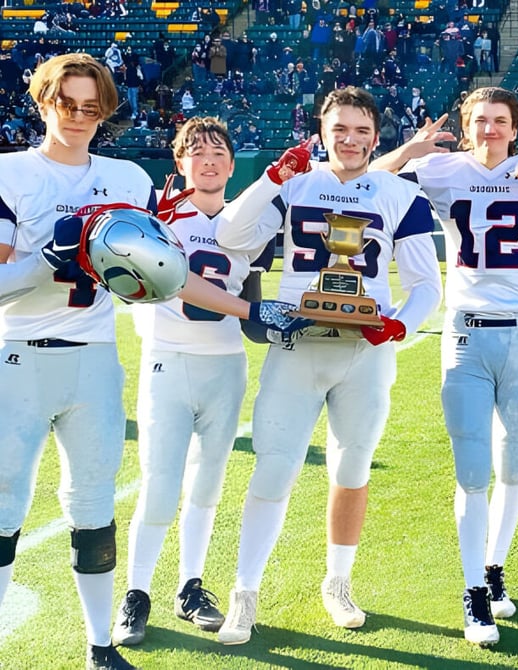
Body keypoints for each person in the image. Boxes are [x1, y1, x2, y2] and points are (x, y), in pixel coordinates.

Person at [0, 53, 309, 670]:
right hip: (18, 357)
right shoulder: (10, 173)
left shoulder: (127, 179)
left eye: (92, 107)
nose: (79, 116)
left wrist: (248, 310)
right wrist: (44, 262)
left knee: (93, 507)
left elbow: (171, 275)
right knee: (6, 507)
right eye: (67, 104)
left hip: (94, 359)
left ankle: (100, 646)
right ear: (42, 102)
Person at [212, 86, 442, 645]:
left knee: (353, 468)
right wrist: (271, 177)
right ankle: (245, 591)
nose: (350, 140)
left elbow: (426, 286)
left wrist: (399, 326)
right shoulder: (296, 183)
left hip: (365, 352)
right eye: (339, 128)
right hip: (297, 345)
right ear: (321, 131)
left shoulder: (400, 194)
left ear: (377, 136)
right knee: (273, 468)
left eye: (361, 130)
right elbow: (229, 235)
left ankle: (338, 582)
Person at [371, 86, 518, 646]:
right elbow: (366, 181)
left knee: (513, 462)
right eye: (480, 120)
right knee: (472, 470)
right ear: (465, 127)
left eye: (500, 120)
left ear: (514, 128)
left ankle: (494, 565)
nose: (490, 129)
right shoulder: (443, 169)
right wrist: (410, 149)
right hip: (465, 332)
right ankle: (473, 591)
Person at [110, 117, 280, 647]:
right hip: (168, 361)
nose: (208, 160)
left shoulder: (248, 225)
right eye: (197, 152)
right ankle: (136, 593)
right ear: (180, 162)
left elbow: (251, 307)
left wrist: (286, 321)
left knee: (206, 486)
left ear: (232, 166)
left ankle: (190, 586)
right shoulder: (158, 219)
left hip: (226, 367)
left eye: (218, 152)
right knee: (160, 486)